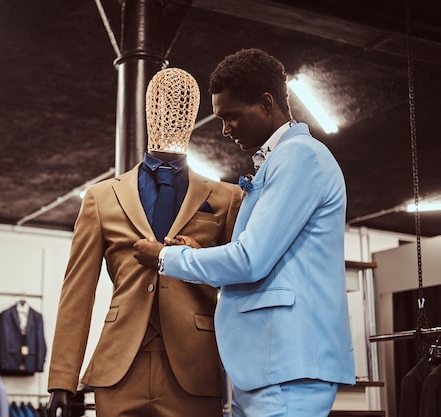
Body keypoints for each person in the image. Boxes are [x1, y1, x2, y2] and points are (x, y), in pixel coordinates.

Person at [133, 48, 355, 417]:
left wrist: (166, 257)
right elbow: (269, 261)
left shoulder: (300, 156)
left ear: (266, 103)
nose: (224, 129)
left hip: (288, 366)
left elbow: (251, 261)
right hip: (267, 366)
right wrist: (200, 252)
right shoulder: (279, 160)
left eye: (231, 116)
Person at [46, 68, 243, 417]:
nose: (171, 113)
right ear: (147, 111)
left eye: (181, 106)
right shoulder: (101, 197)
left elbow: (239, 282)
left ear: (195, 113)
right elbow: (77, 291)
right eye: (160, 104)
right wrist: (63, 377)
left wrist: (247, 374)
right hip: (119, 367)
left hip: (195, 368)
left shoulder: (226, 198)